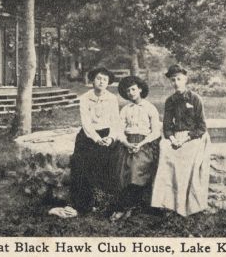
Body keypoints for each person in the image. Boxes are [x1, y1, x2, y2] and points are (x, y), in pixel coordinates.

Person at [151, 64, 210, 217]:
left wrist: (185, 139)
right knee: (166, 153)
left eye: (179, 79)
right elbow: (167, 126)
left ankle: (187, 205)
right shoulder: (170, 101)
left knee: (186, 159)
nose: (176, 82)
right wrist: (172, 138)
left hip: (194, 136)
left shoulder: (195, 99)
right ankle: (167, 204)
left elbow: (202, 127)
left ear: (185, 80)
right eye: (173, 80)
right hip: (176, 136)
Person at [68, 67, 121, 215]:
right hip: (89, 135)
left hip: (107, 133)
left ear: (108, 82)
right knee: (80, 162)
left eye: (105, 79)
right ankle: (82, 203)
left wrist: (110, 138)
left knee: (110, 161)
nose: (101, 82)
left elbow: (115, 121)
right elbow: (86, 122)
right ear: (93, 80)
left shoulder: (112, 98)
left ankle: (105, 203)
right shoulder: (85, 98)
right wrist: (97, 139)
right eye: (98, 78)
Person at [110, 76, 161, 221]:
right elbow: (119, 130)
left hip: (145, 144)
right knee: (121, 169)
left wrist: (140, 144)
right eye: (128, 91)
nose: (131, 93)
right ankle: (126, 206)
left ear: (140, 89)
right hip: (128, 143)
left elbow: (156, 131)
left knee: (135, 169)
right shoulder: (125, 109)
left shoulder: (150, 108)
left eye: (133, 89)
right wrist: (126, 143)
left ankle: (127, 207)